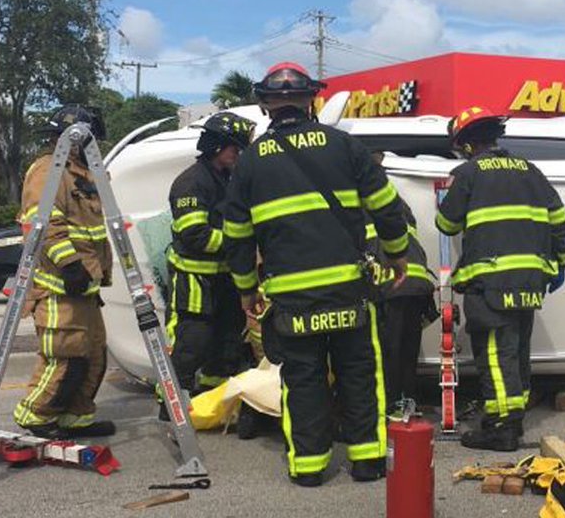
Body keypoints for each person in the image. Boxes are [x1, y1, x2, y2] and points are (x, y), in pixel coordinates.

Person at [223, 62, 409, 487]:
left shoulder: (249, 163)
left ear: (266, 105)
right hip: (348, 288)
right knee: (359, 372)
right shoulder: (346, 146)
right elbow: (386, 207)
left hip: (292, 297)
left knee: (302, 378)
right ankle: (368, 461)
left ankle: (308, 467)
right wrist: (397, 255)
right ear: (311, 100)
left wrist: (246, 290)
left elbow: (237, 236)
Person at [435, 107, 565, 451]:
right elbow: (559, 220)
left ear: (467, 144)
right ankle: (513, 417)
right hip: (530, 281)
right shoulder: (531, 171)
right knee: (517, 352)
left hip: (490, 282)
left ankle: (502, 428)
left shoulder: (468, 173)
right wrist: (561, 264)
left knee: (496, 354)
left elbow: (446, 224)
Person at [12, 105, 116, 439]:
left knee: (94, 355)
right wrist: (70, 266)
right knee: (66, 355)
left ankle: (75, 417)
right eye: (91, 141)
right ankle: (36, 415)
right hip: (60, 286)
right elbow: (45, 224)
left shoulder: (84, 173)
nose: (96, 148)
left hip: (86, 286)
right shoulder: (49, 170)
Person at [164, 111, 257, 417]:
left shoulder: (230, 179)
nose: (239, 154)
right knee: (192, 343)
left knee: (227, 343)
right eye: (235, 148)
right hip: (194, 280)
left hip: (226, 280)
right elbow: (195, 235)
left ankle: (212, 402)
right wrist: (240, 244)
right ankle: (171, 407)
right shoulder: (191, 183)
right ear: (216, 146)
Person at [364, 157, 436, 411]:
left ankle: (390, 407)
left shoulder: (359, 202)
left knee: (388, 352)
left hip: (391, 283)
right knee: (407, 351)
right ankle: (407, 403)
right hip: (416, 284)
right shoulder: (397, 202)